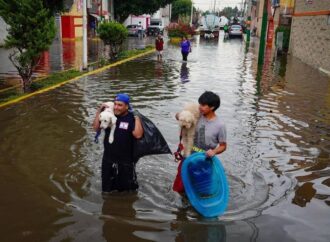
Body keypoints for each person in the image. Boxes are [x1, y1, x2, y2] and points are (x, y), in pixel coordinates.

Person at [173, 91, 227, 193]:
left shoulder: (220, 125)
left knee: (201, 190)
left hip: (204, 160)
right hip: (188, 157)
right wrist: (180, 114)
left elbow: (223, 146)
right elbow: (177, 116)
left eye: (203, 105)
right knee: (179, 188)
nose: (199, 107)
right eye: (199, 104)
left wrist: (214, 152)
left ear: (212, 107)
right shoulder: (196, 115)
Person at [93, 93, 144, 194]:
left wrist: (137, 117)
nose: (116, 107)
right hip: (108, 158)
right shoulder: (109, 115)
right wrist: (99, 111)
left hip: (126, 161)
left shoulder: (131, 118)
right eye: (115, 104)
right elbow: (96, 128)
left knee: (128, 191)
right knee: (106, 190)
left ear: (126, 106)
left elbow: (138, 135)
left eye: (120, 105)